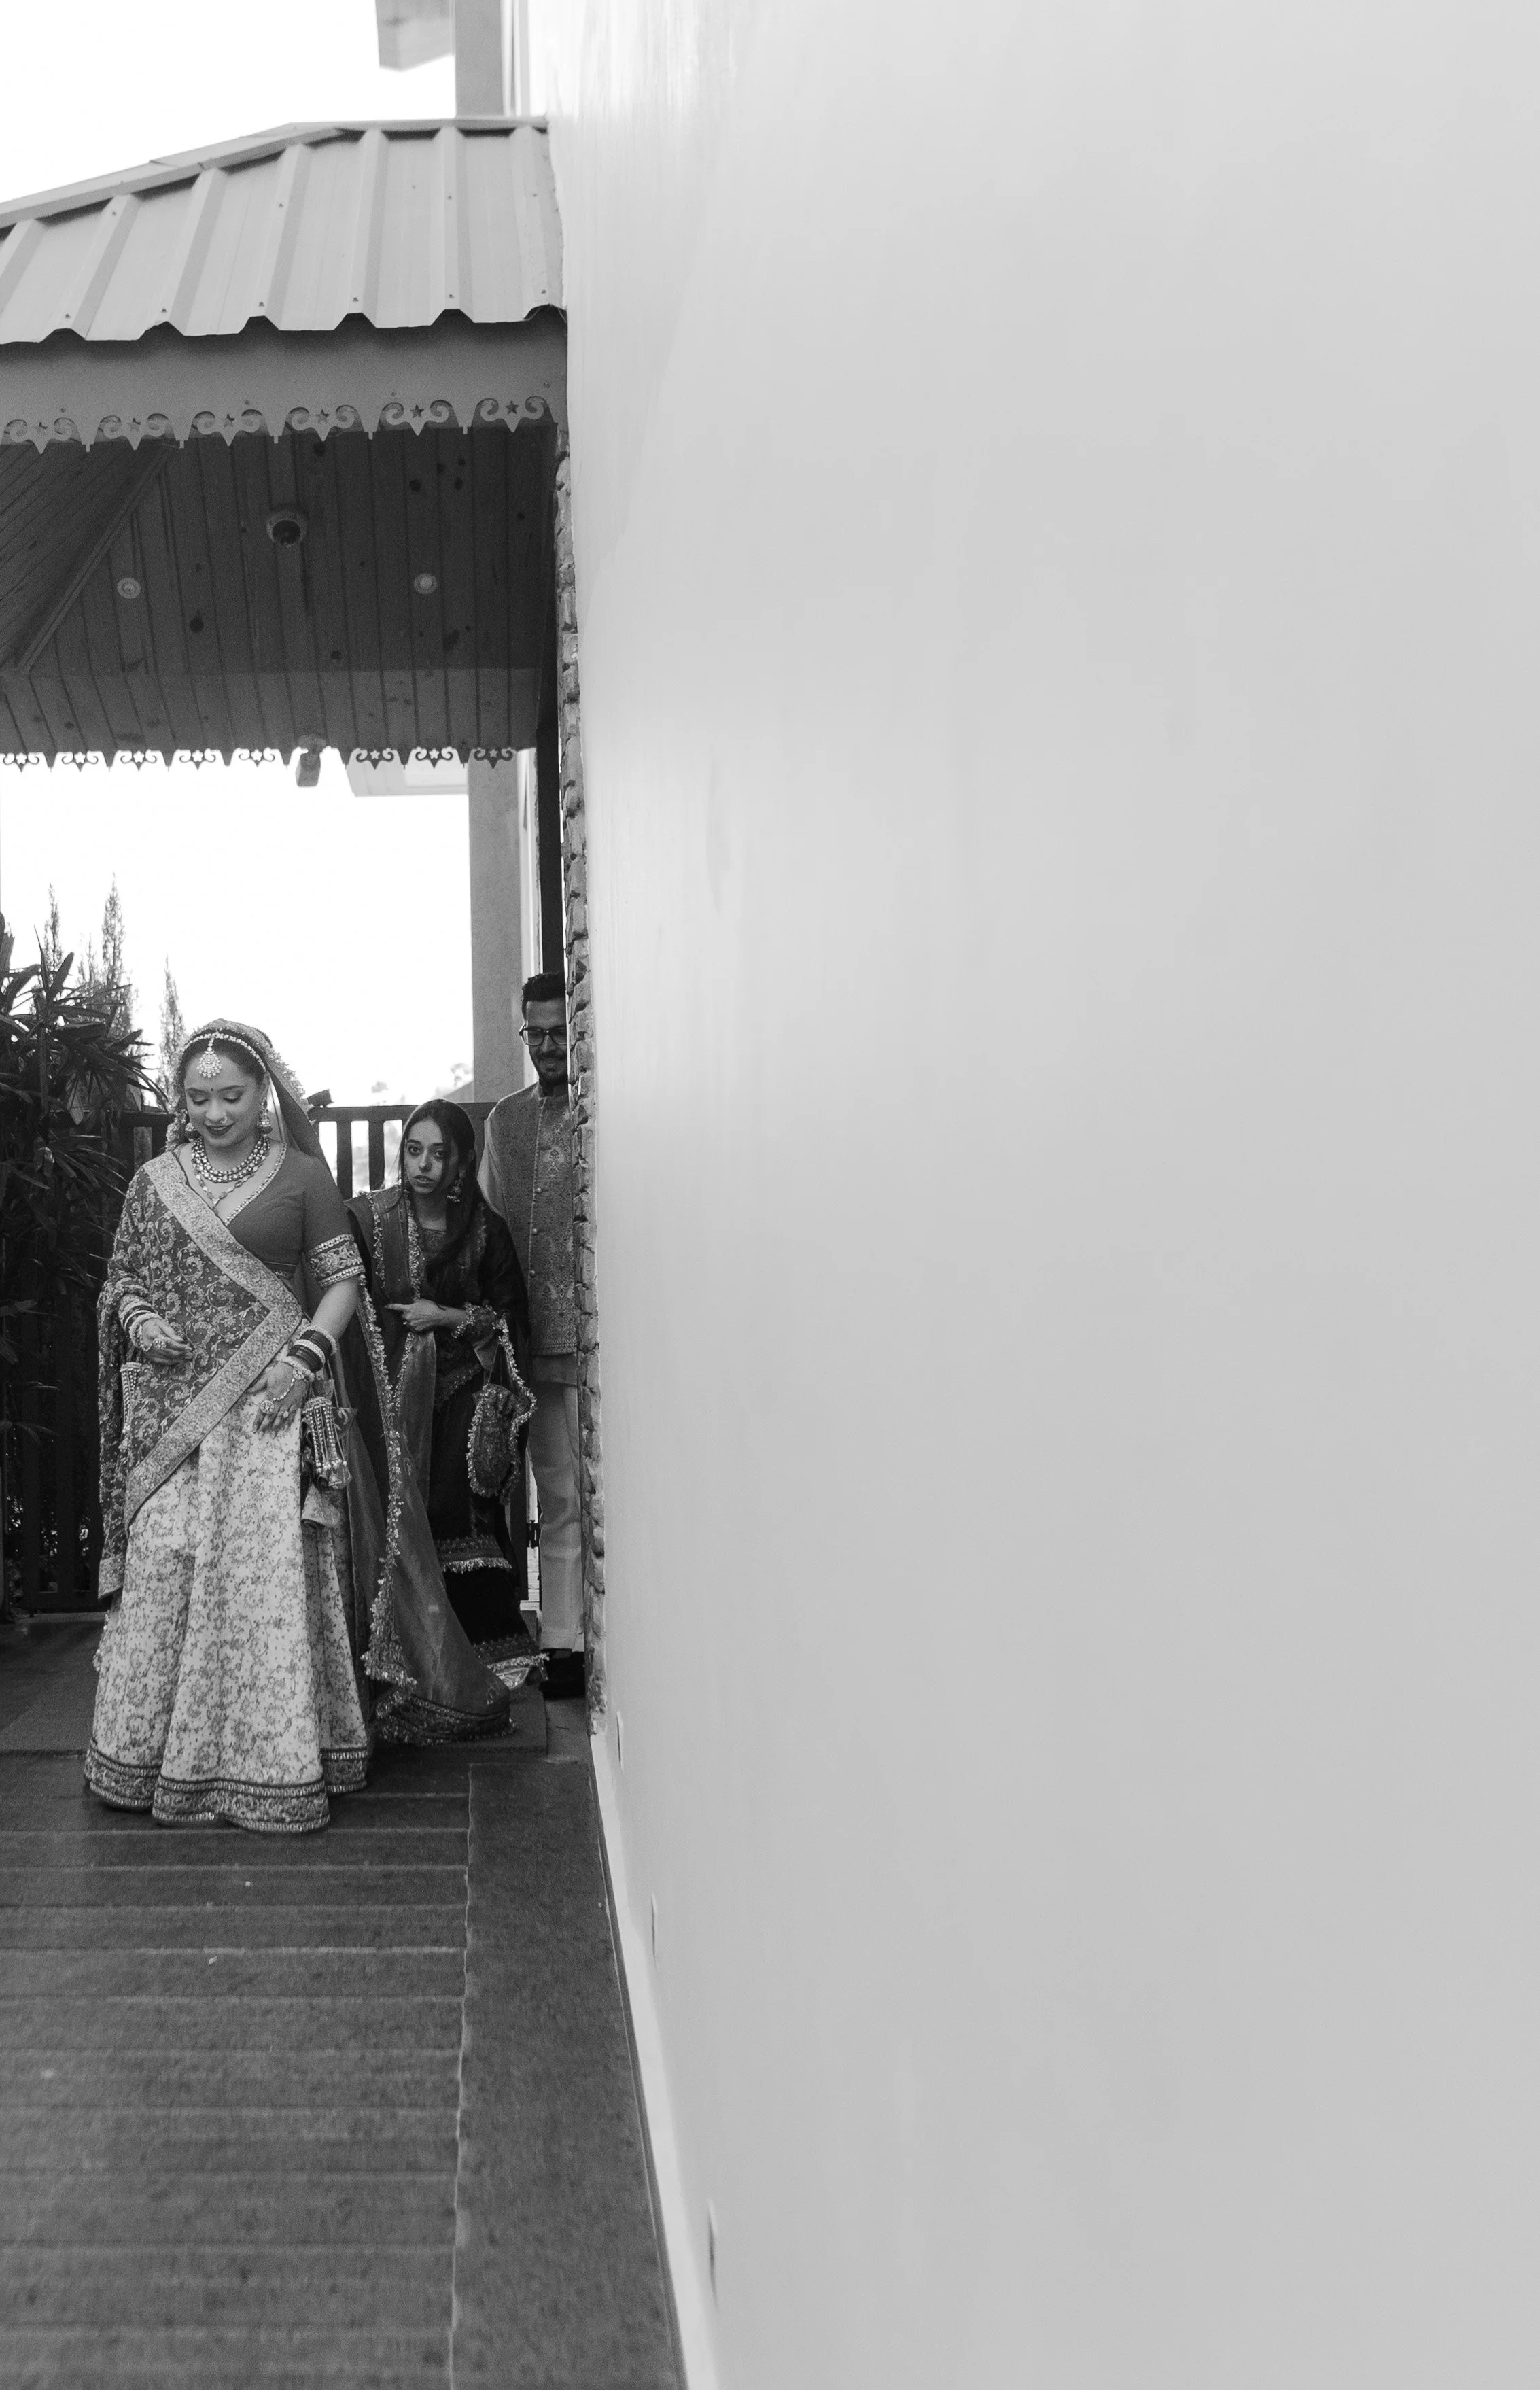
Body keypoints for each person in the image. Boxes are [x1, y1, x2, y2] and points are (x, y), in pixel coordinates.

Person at [88, 1020, 515, 1835]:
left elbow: (341, 1284)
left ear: (265, 1096)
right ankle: (146, 1759)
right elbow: (125, 1279)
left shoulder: (302, 1176)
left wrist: (306, 1357)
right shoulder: (153, 1180)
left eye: (231, 1096)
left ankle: (273, 1763)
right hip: (176, 1409)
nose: (214, 1112)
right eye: (198, 1097)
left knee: (261, 1574)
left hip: (272, 1403)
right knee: (170, 1563)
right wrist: (139, 1321)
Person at [346, 1100, 534, 1648]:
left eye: (437, 1153)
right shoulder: (372, 1222)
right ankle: (401, 1649)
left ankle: (477, 1651)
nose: (423, 1165)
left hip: (461, 1404)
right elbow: (342, 1294)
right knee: (396, 1514)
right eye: (413, 1150)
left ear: (461, 1163)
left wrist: (446, 1316)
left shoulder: (484, 1232)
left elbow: (514, 1319)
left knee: (463, 1520)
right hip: (389, 1400)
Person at [479, 972, 585, 1697]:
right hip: (529, 1342)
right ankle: (561, 1643)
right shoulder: (504, 1125)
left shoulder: (601, 1109)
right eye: (536, 1034)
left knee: (587, 1489)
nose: (548, 1047)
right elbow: (487, 1231)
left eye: (560, 1033)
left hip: (598, 1341)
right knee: (551, 1490)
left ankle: (585, 1633)